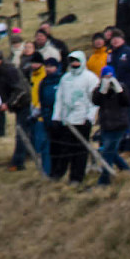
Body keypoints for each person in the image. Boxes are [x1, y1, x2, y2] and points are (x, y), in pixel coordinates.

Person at [51, 51, 100, 184]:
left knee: (80, 150)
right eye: (72, 61)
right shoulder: (65, 78)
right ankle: (59, 174)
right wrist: (56, 117)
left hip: (82, 119)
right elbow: (59, 99)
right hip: (67, 120)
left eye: (77, 61)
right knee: (65, 149)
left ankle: (77, 177)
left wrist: (89, 118)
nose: (74, 64)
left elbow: (94, 101)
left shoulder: (90, 78)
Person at [91, 65, 130, 184]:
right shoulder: (99, 89)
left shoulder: (121, 87)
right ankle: (127, 171)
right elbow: (95, 101)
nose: (108, 78)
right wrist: (102, 90)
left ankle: (104, 180)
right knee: (111, 151)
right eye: (105, 76)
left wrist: (119, 90)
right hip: (106, 125)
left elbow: (126, 101)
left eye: (110, 75)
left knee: (108, 153)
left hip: (119, 125)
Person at [0, 49, 33, 171]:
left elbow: (21, 90)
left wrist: (8, 104)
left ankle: (18, 162)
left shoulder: (9, 70)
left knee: (21, 133)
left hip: (23, 104)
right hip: (15, 105)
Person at [37, 57, 63, 176]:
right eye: (46, 66)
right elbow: (41, 100)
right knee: (47, 146)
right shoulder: (43, 82)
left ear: (56, 67)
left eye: (51, 66)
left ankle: (58, 170)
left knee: (60, 145)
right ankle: (48, 172)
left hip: (60, 118)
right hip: (47, 117)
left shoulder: (62, 80)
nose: (48, 69)